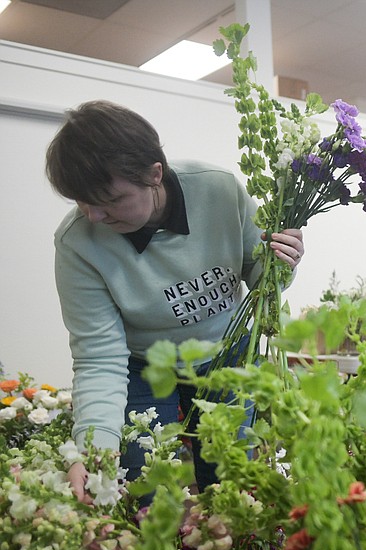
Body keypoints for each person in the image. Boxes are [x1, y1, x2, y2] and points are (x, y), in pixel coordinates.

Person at [46, 100, 305, 494]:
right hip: (144, 366)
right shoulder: (78, 242)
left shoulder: (217, 189)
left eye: (110, 200)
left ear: (154, 174)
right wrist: (94, 451)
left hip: (225, 354)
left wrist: (284, 260)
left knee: (229, 482)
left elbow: (262, 280)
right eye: (83, 202)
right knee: (138, 481)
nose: (94, 215)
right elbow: (99, 358)